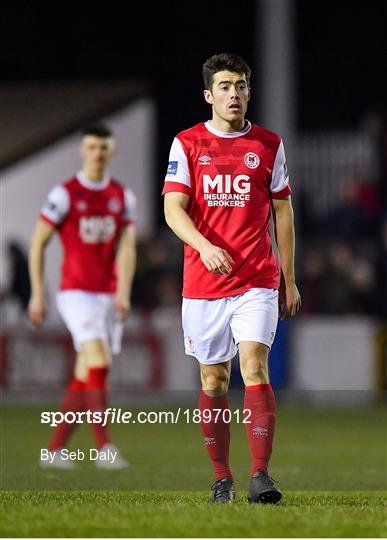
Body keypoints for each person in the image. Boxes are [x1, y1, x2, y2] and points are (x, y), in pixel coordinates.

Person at [163, 53, 301, 503]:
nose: (234, 93)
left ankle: (261, 474)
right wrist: (204, 246)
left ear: (248, 91)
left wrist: (289, 276)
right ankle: (222, 476)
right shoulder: (186, 144)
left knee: (254, 367)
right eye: (224, 86)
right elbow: (172, 209)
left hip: (256, 279)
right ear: (209, 95)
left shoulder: (267, 144)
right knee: (213, 381)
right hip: (203, 285)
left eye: (240, 85)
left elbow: (282, 209)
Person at [28, 125, 136, 469]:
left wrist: (123, 290)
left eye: (103, 147)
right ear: (82, 150)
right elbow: (38, 244)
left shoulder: (122, 196)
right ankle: (104, 448)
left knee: (85, 372)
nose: (97, 153)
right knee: (100, 361)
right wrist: (36, 295)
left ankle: (55, 450)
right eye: (91, 147)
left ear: (112, 151)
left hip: (107, 295)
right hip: (75, 293)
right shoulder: (65, 194)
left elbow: (128, 247)